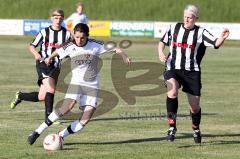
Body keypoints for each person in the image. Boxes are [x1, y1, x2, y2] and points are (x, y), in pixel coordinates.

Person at [27, 23, 131, 145]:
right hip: (76, 83)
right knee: (65, 108)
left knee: (85, 120)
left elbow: (115, 48)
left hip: (92, 86)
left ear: (87, 36)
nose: (79, 40)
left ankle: (61, 135)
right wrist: (50, 57)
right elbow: (57, 52)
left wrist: (124, 56)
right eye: (76, 37)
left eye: (82, 37)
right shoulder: (70, 46)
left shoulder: (95, 45)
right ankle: (37, 132)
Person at [158, 4, 229, 143]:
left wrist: (223, 37)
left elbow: (215, 44)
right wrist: (161, 52)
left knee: (194, 107)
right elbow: (162, 42)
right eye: (185, 17)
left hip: (192, 72)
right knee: (172, 91)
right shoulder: (174, 28)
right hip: (173, 68)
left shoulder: (201, 32)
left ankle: (196, 128)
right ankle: (172, 127)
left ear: (196, 18)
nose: (186, 20)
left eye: (189, 17)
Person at [10, 9, 71, 122]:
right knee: (51, 89)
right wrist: (36, 55)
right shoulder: (44, 32)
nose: (58, 20)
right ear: (51, 18)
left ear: (63, 19)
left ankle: (20, 96)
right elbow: (32, 46)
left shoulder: (67, 34)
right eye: (56, 18)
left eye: (60, 18)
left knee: (42, 96)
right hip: (43, 64)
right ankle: (49, 117)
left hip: (56, 66)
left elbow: (69, 50)